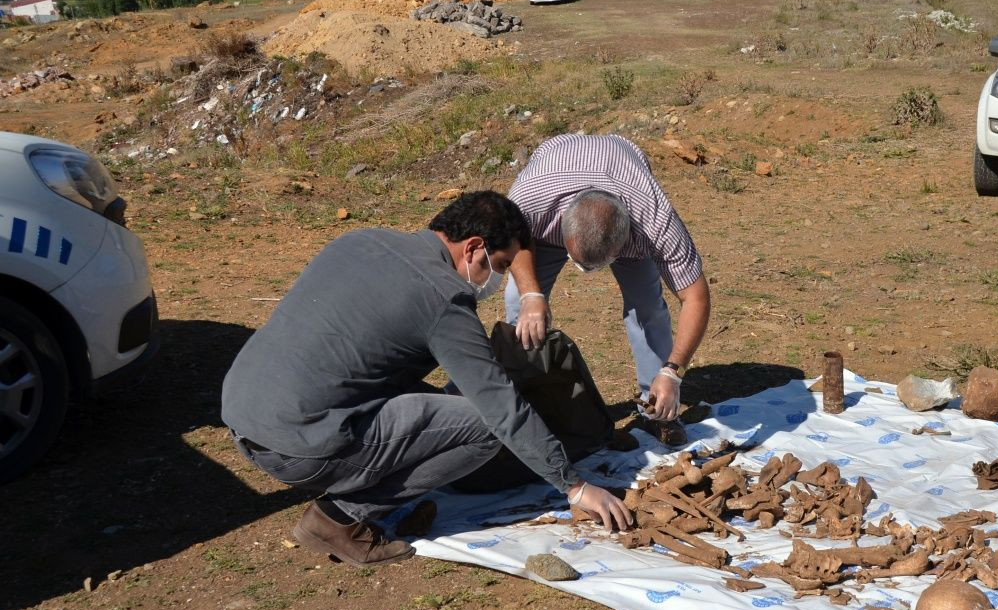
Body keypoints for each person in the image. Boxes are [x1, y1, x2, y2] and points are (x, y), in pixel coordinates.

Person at [221, 191, 632, 566]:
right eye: (501, 265)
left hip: (243, 414)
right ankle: (340, 517)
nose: (498, 277)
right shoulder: (444, 298)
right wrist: (573, 486)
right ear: (473, 247)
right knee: (483, 429)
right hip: (297, 447)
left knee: (442, 406)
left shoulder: (362, 240)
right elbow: (500, 408)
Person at [504, 134, 711, 444]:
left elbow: (695, 296)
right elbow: (510, 239)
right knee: (517, 301)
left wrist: (673, 371)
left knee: (648, 308)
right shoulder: (531, 200)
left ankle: (657, 409)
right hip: (552, 188)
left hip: (625, 178)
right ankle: (526, 409)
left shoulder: (654, 221)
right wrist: (531, 295)